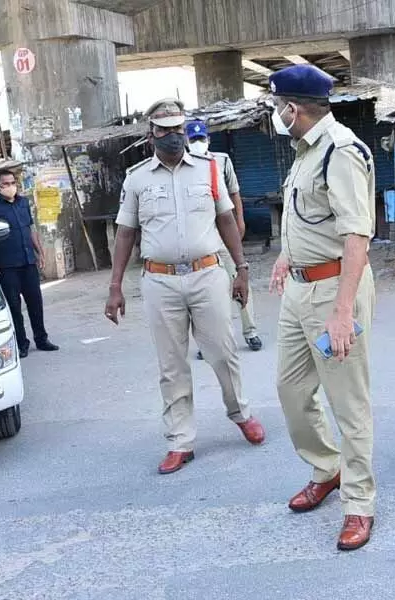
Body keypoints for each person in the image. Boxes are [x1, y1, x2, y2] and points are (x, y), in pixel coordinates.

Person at [104, 98, 266, 475]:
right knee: (172, 365)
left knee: (223, 353)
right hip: (160, 280)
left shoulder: (209, 170)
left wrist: (241, 269)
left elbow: (226, 220)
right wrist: (115, 286)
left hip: (208, 274)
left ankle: (241, 414)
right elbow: (126, 233)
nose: (173, 137)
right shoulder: (137, 178)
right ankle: (181, 441)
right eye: (165, 131)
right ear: (151, 136)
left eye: (178, 130)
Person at [268, 64, 378, 550]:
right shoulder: (304, 152)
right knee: (291, 391)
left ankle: (359, 503)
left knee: (348, 402)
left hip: (335, 290)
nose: (276, 115)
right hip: (298, 289)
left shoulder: (341, 151)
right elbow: (312, 218)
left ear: (293, 109)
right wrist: (286, 256)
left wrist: (342, 311)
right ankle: (326, 467)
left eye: (277, 106)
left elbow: (357, 234)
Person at [186, 119, 264, 354]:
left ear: (208, 139)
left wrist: (239, 221)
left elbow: (234, 193)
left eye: (201, 138)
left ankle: (251, 332)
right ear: (186, 142)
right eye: (193, 139)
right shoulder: (183, 165)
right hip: (199, 237)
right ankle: (210, 341)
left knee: (238, 278)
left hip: (223, 235)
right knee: (204, 292)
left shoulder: (221, 161)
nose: (198, 143)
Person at [0, 168, 59, 359]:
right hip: (7, 265)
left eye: (12, 183)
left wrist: (40, 252)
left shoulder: (23, 203)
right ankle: (21, 343)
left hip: (27, 261)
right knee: (14, 307)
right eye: (5, 184)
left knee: (35, 303)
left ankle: (41, 339)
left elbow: (30, 229)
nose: (10, 187)